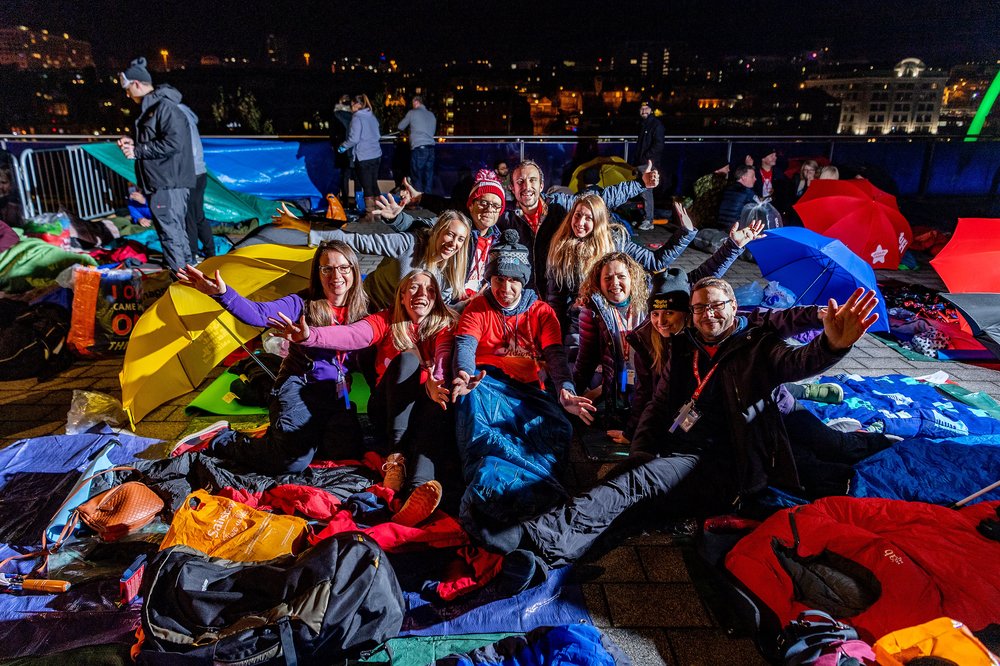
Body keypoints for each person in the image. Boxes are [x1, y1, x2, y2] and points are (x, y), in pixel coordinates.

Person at [480, 281, 880, 579]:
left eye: (717, 306)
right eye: (700, 307)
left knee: (631, 488)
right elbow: (657, 404)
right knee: (633, 503)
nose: (708, 314)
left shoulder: (758, 346)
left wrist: (831, 346)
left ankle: (530, 536)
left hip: (729, 467)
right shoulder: (685, 346)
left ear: (734, 307)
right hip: (683, 452)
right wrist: (641, 449)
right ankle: (552, 558)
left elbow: (798, 363)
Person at [269, 269, 456, 526]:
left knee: (436, 406)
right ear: (401, 295)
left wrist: (436, 380)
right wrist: (310, 336)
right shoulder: (386, 320)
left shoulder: (442, 325)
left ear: (436, 298)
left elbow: (445, 355)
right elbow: (351, 335)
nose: (422, 294)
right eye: (414, 287)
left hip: (422, 411)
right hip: (388, 411)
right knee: (407, 359)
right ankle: (395, 459)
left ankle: (415, 495)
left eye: (430, 289)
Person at [173, 240, 369, 473]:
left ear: (354, 271)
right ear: (318, 273)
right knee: (292, 460)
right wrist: (222, 294)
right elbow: (259, 314)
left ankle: (289, 437)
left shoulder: (364, 310)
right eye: (327, 268)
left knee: (347, 452)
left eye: (343, 267)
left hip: (336, 394)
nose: (336, 275)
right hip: (298, 387)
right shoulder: (301, 304)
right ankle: (221, 438)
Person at [451, 229, 595, 529]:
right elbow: (465, 345)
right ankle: (488, 490)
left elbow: (555, 356)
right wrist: (464, 373)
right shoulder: (478, 307)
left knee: (559, 429)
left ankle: (535, 489)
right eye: (499, 279)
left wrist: (565, 390)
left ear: (523, 280)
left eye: (513, 280)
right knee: (477, 417)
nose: (505, 287)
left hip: (528, 390)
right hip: (486, 384)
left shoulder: (541, 312)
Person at [501, 159, 659, 300]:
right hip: (524, 296)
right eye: (520, 181)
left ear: (541, 185)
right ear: (512, 188)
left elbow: (602, 198)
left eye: (532, 180)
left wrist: (640, 184)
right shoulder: (507, 218)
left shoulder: (560, 205)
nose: (527, 186)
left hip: (558, 293)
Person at [545, 197, 697, 338]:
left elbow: (655, 261)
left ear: (598, 221)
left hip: (616, 317)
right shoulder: (561, 248)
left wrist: (685, 233)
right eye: (577, 215)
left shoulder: (615, 241)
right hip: (582, 320)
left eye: (588, 218)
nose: (580, 222)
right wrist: (556, 332)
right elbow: (556, 297)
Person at [374, 169, 507, 300]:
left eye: (496, 205)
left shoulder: (498, 238)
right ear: (471, 205)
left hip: (481, 298)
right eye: (483, 202)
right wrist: (396, 218)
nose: (489, 209)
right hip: (452, 299)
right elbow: (420, 226)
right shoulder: (457, 228)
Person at [116, 57, 195, 271]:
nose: (127, 94)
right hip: (163, 182)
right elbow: (160, 140)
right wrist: (134, 142)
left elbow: (174, 143)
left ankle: (180, 283)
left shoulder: (164, 108)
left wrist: (137, 150)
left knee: (170, 235)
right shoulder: (154, 108)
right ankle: (190, 276)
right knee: (176, 233)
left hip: (167, 183)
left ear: (137, 84)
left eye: (127, 88)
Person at [308, 210, 471, 310]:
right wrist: (308, 229)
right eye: (450, 234)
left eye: (460, 239)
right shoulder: (409, 244)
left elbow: (441, 307)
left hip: (402, 320)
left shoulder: (452, 268)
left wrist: (463, 306)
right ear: (436, 231)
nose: (453, 243)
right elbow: (358, 241)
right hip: (368, 305)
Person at [178, 102, 214, 260]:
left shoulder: (176, 115)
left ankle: (192, 254)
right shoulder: (187, 114)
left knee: (190, 216)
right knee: (198, 215)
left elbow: (187, 148)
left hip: (190, 172)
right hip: (200, 171)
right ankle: (210, 251)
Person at [338, 94, 382, 218]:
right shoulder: (371, 116)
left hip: (364, 156)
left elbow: (354, 139)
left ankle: (370, 215)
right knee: (374, 184)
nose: (351, 108)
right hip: (376, 154)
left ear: (357, 105)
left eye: (352, 105)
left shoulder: (357, 117)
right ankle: (379, 213)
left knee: (367, 186)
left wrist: (342, 147)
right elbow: (378, 135)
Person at [632, 102, 665, 231]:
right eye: (642, 108)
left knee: (647, 192)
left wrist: (646, 158)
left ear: (651, 110)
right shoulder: (644, 124)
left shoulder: (656, 125)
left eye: (646, 108)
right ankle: (645, 218)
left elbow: (659, 145)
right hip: (642, 163)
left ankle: (649, 220)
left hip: (648, 164)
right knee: (641, 191)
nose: (644, 111)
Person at [398, 95, 437, 193]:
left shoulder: (412, 113)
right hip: (431, 148)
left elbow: (400, 126)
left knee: (416, 176)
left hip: (419, 148)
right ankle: (428, 200)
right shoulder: (431, 115)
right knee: (428, 177)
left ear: (416, 102)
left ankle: (417, 200)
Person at [687, 158, 730, 229]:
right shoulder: (720, 182)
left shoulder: (701, 180)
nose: (728, 170)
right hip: (710, 219)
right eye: (726, 168)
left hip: (697, 217)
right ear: (717, 169)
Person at [716, 165, 758, 230]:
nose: (755, 179)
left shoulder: (726, 189)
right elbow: (758, 211)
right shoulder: (748, 193)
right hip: (736, 230)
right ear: (744, 177)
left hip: (720, 228)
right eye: (752, 176)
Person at [331, 94, 354, 203]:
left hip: (341, 149)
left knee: (343, 176)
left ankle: (344, 199)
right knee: (355, 176)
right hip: (353, 149)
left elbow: (333, 133)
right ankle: (359, 202)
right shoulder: (353, 116)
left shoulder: (336, 116)